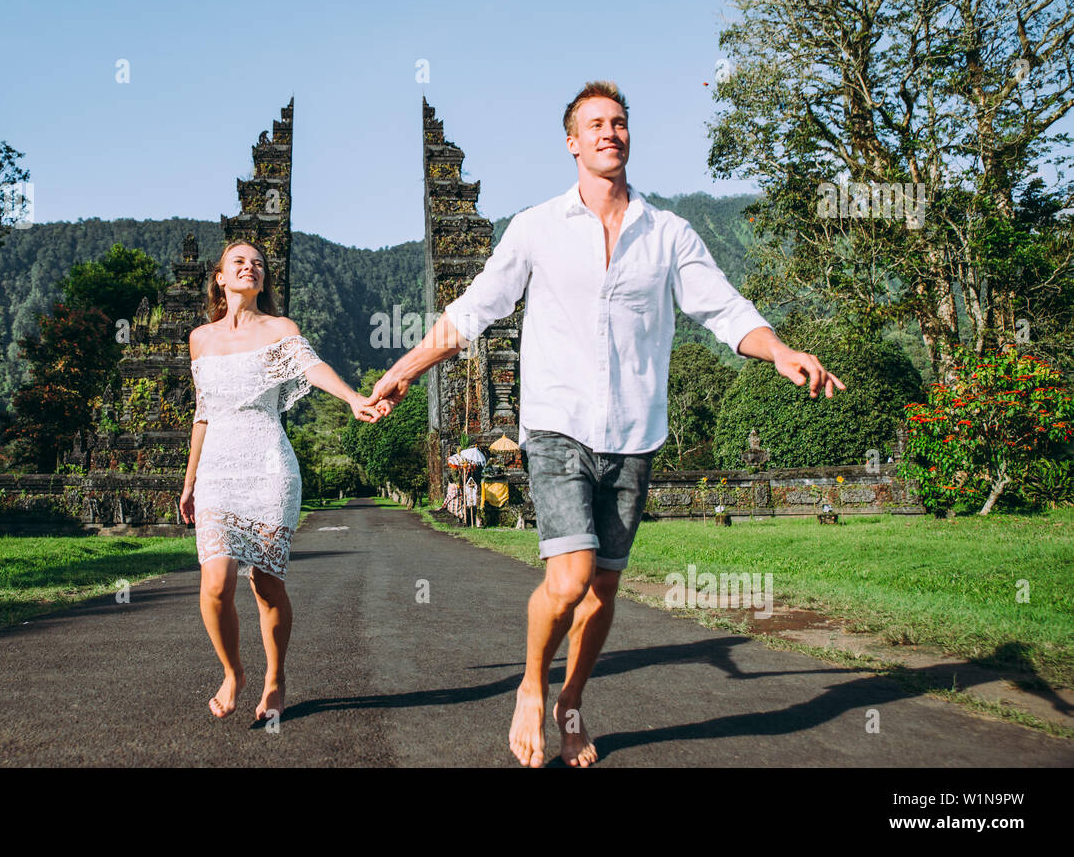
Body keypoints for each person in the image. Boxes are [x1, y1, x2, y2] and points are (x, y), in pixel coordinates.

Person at [368, 81, 846, 767]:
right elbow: (473, 310)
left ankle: (573, 702)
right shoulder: (535, 227)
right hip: (557, 426)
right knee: (568, 579)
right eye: (594, 124)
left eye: (618, 122)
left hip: (634, 434)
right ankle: (532, 685)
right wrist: (408, 366)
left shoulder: (668, 232)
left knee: (604, 587)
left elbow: (727, 310)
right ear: (571, 141)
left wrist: (781, 351)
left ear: (629, 136)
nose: (609, 132)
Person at [180, 239, 384, 723]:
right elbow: (203, 413)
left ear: (262, 280)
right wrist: (189, 482)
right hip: (216, 472)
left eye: (258, 264)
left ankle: (275, 679)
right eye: (239, 262)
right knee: (215, 583)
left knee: (266, 585)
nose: (250, 268)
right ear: (220, 277)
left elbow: (311, 369)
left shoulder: (279, 330)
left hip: (269, 466)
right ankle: (234, 672)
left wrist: (352, 398)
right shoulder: (200, 339)